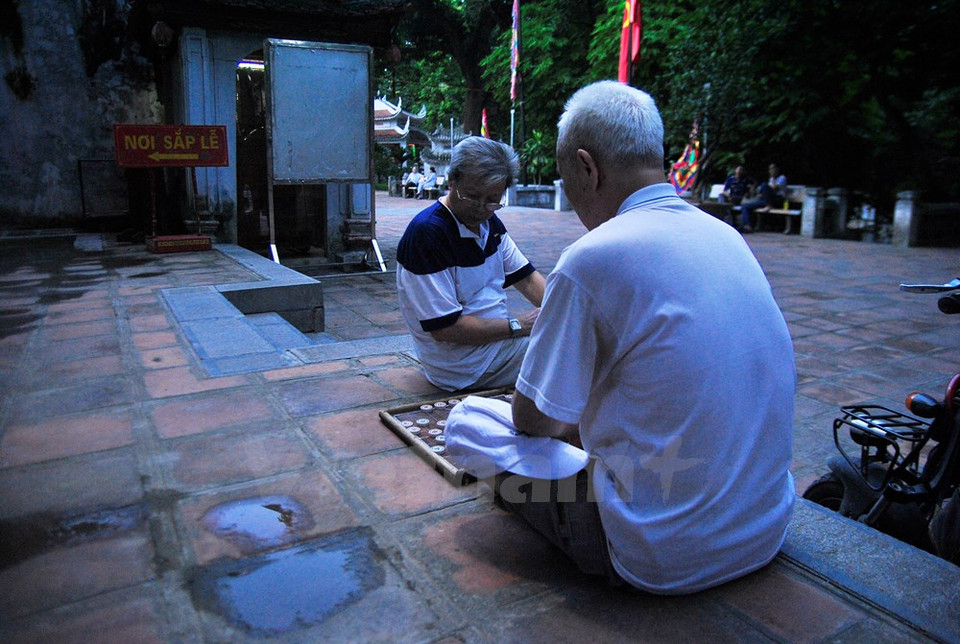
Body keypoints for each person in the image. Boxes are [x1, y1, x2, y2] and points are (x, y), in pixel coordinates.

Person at [447, 81, 795, 594]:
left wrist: (578, 424)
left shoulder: (592, 258)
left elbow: (534, 419)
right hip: (765, 530)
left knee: (470, 423)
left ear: (588, 168)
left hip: (658, 553)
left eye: (569, 181)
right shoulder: (728, 236)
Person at [396, 136, 546, 392]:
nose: (481, 209)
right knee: (575, 351)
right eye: (472, 197)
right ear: (452, 181)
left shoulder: (490, 224)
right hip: (465, 365)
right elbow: (446, 329)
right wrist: (519, 325)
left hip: (496, 346)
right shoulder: (428, 234)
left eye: (492, 200)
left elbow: (528, 279)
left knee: (579, 336)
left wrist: (565, 310)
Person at [739, 163, 787, 233]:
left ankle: (769, 206)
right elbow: (766, 192)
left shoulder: (782, 178)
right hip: (766, 200)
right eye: (770, 169)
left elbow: (774, 188)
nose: (771, 171)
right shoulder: (771, 179)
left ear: (777, 169)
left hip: (778, 200)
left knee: (764, 184)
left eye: (773, 169)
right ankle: (747, 226)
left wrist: (773, 178)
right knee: (745, 206)